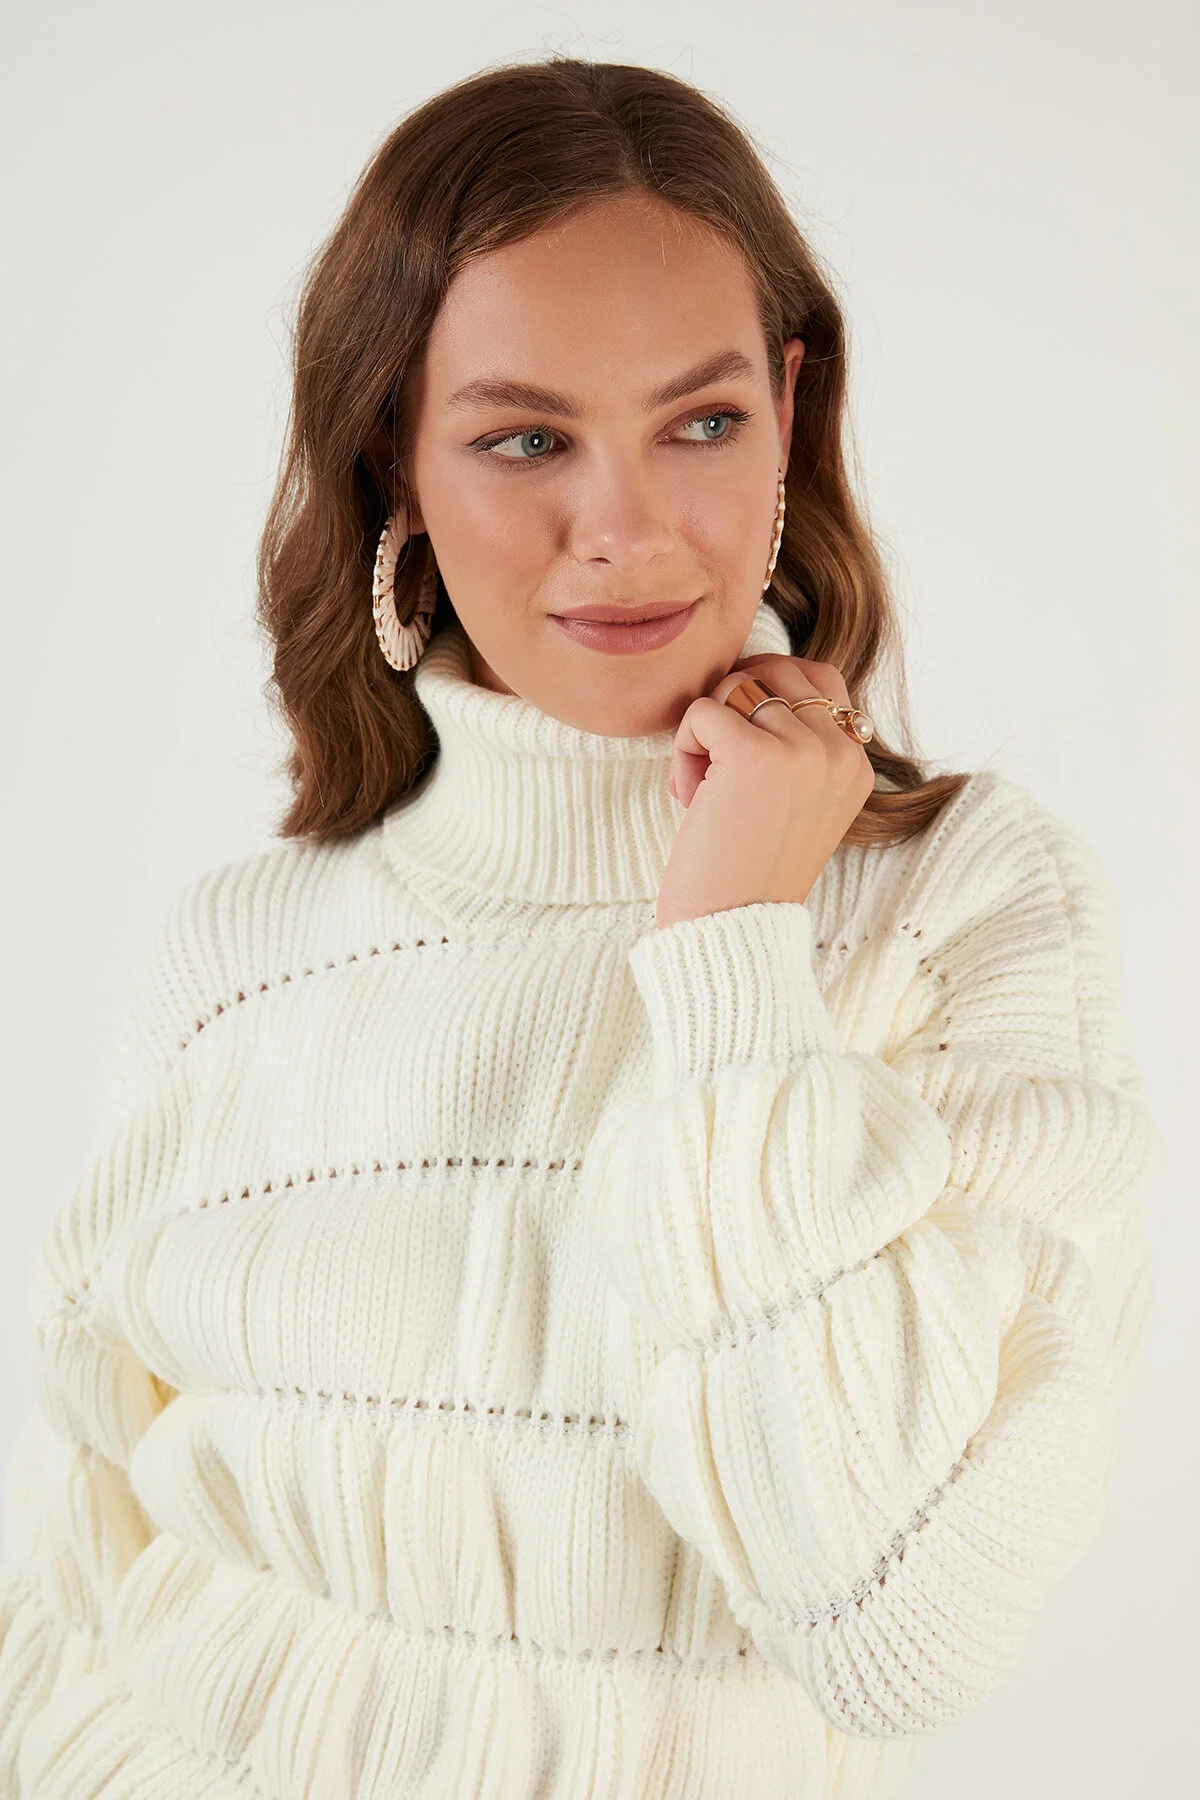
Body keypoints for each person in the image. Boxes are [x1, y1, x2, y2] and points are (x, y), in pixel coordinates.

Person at [0, 55, 1155, 1800]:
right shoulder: (233, 957)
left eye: (701, 424)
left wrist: (735, 952)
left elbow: (898, 1626)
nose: (625, 530)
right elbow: (81, 1565)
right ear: (393, 455)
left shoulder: (968, 908)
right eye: (526, 439)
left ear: (788, 412)